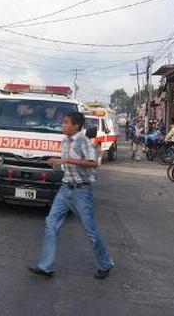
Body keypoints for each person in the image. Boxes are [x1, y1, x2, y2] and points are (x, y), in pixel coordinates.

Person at [28, 111, 114, 280]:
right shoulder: (66, 140)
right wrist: (57, 163)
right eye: (63, 122)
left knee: (90, 230)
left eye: (66, 122)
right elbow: (66, 164)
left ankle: (106, 263)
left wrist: (66, 161)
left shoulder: (83, 141)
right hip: (65, 188)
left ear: (76, 125)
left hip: (82, 190)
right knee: (51, 223)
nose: (63, 125)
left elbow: (92, 163)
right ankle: (46, 266)